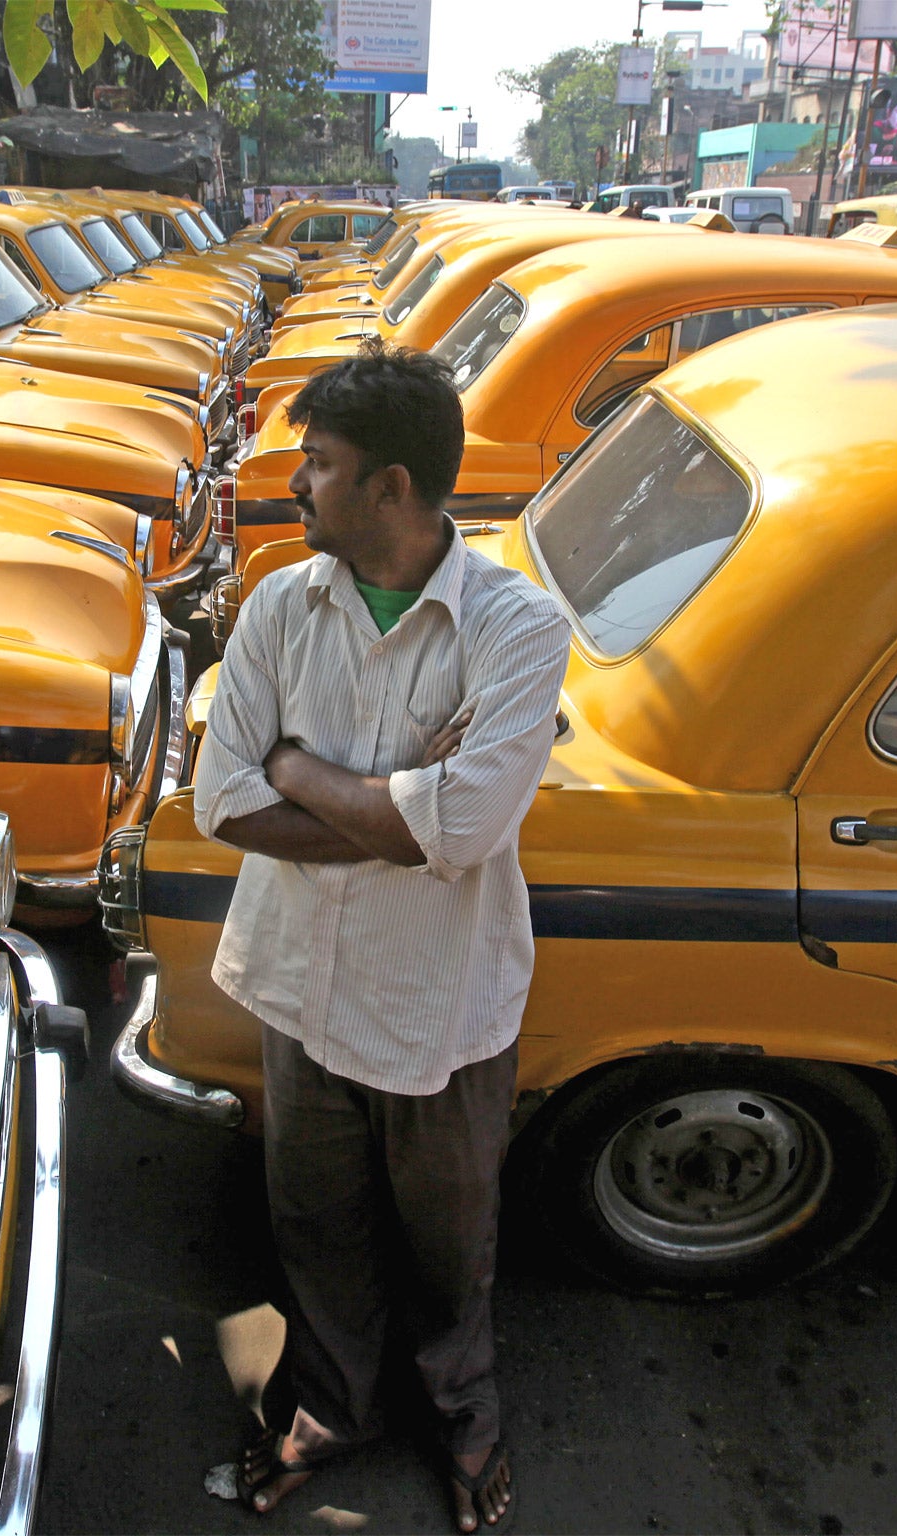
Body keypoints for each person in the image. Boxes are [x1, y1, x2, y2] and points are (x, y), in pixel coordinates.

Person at [192, 339, 571, 1531]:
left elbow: (457, 832)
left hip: (439, 1008)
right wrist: (407, 811)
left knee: (448, 1240)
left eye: (321, 465)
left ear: (392, 489)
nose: (296, 484)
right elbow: (219, 804)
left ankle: (465, 1416)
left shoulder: (514, 630)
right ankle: (329, 1407)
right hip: (302, 993)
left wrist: (297, 771)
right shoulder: (275, 603)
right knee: (314, 1227)